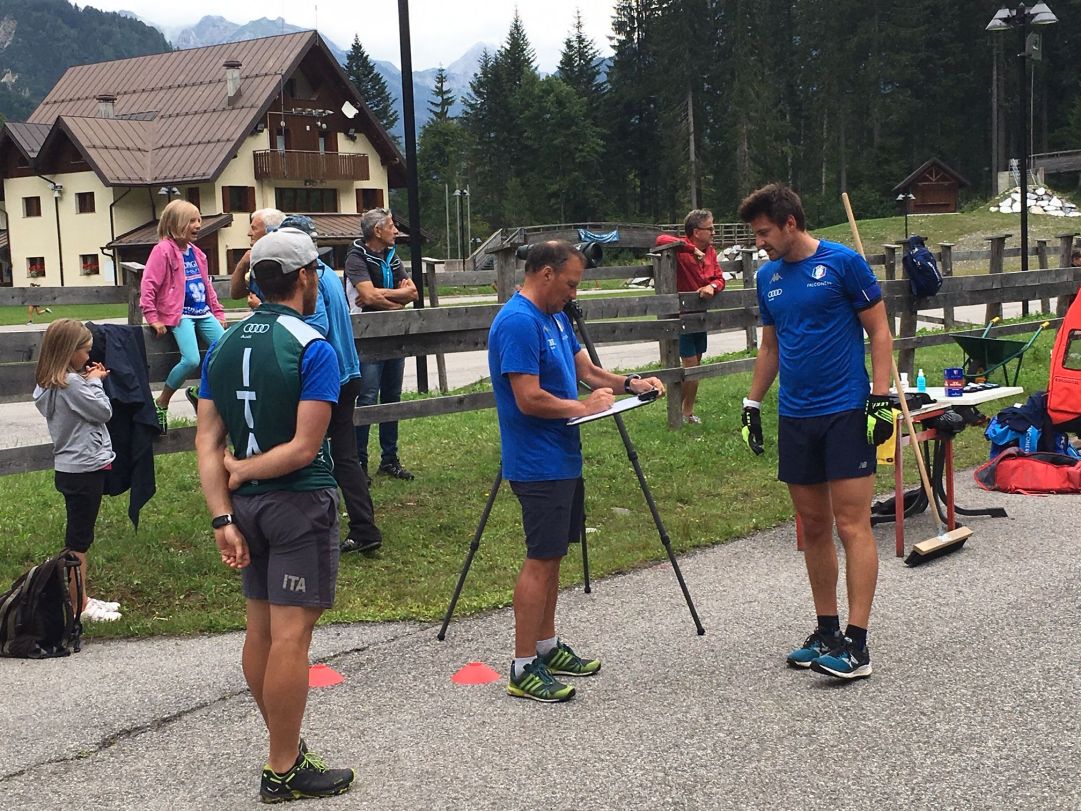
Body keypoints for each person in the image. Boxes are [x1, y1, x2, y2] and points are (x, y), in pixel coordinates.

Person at [194, 228, 355, 802]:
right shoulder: (314, 345)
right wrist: (247, 472)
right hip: (298, 502)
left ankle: (284, 745)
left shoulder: (223, 345)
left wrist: (222, 517)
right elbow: (306, 448)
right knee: (291, 639)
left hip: (246, 511)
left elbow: (206, 441)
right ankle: (283, 766)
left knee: (260, 632)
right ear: (306, 276)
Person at [488, 240, 665, 702]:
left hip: (563, 453)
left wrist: (630, 383)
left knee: (555, 556)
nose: (573, 293)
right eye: (569, 284)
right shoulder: (518, 322)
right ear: (545, 274)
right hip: (535, 459)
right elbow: (528, 397)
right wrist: (582, 406)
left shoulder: (555, 317)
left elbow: (586, 369)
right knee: (539, 557)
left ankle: (545, 646)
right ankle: (523, 664)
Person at [737, 183, 892, 681]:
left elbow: (880, 331)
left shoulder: (843, 263)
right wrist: (751, 403)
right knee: (814, 527)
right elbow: (770, 348)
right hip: (796, 416)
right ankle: (826, 629)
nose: (759, 242)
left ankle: (858, 643)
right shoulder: (768, 278)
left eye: (763, 233)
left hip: (847, 409)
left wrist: (882, 399)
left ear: (789, 223)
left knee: (852, 525)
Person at [277, 215, 383, 556]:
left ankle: (311, 524)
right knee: (344, 454)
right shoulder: (327, 273)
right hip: (347, 371)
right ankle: (364, 527)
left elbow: (317, 325)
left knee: (310, 450)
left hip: (328, 376)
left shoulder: (313, 280)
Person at [33, 319, 122, 623]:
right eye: (85, 351)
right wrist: (95, 381)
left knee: (79, 536)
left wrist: (86, 381)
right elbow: (103, 411)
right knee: (79, 542)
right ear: (69, 352)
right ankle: (78, 605)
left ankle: (80, 595)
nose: (88, 356)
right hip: (83, 468)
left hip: (70, 467)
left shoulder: (50, 382)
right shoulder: (71, 384)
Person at [139, 199, 226, 433]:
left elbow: (207, 287)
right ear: (175, 224)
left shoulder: (197, 254)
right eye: (191, 221)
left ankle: (201, 391)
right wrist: (152, 316)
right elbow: (148, 284)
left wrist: (217, 311)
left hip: (203, 312)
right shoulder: (163, 251)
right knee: (191, 360)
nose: (198, 224)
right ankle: (163, 400)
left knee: (227, 350)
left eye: (199, 220)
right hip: (180, 314)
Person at [344, 207, 419, 481]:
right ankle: (359, 464)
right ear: (378, 231)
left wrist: (382, 297)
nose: (396, 231)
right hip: (366, 338)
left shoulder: (392, 256)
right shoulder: (355, 257)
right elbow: (365, 295)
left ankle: (390, 459)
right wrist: (395, 301)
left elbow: (413, 292)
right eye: (391, 226)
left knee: (392, 397)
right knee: (365, 399)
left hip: (393, 337)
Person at [654, 209, 726, 424]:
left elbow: (720, 278)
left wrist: (712, 286)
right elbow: (659, 239)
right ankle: (681, 413)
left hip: (700, 316)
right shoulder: (681, 248)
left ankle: (684, 411)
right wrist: (691, 249)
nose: (713, 232)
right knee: (691, 367)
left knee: (697, 367)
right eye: (710, 228)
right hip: (682, 316)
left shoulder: (712, 252)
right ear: (696, 232)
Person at [229, 207, 286, 307]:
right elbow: (236, 294)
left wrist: (260, 307)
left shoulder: (287, 262)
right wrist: (242, 263)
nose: (249, 233)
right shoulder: (256, 260)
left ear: (270, 231)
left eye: (254, 228)